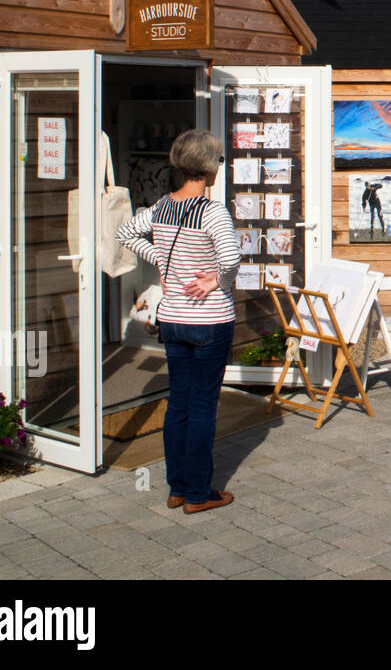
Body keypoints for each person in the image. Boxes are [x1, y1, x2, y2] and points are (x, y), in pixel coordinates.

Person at [116, 130, 240, 514]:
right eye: (219, 161)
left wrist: (160, 260)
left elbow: (125, 233)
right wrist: (215, 279)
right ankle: (200, 494)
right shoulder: (213, 211)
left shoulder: (163, 206)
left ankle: (177, 488)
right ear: (209, 167)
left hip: (172, 319)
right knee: (204, 406)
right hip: (210, 321)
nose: (221, 167)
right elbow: (232, 259)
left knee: (178, 405)